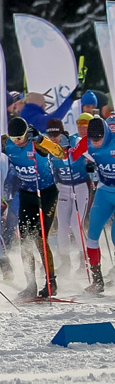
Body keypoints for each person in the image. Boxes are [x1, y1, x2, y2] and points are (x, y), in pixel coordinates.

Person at [2, 117, 59, 298]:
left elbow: (60, 153)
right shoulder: (6, 142)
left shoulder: (37, 143)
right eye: (14, 139)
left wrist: (42, 140)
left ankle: (51, 282)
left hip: (46, 194)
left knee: (40, 238)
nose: (17, 142)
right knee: (25, 241)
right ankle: (31, 285)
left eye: (20, 138)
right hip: (27, 194)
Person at [76, 115, 115, 293]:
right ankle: (97, 281)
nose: (96, 144)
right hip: (104, 191)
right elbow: (66, 154)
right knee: (91, 235)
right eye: (93, 140)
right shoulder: (86, 143)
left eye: (99, 140)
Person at [47, 119, 90, 274]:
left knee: (76, 224)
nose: (53, 138)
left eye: (56, 134)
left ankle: (85, 260)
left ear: (62, 131)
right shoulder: (48, 146)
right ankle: (65, 263)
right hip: (63, 187)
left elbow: (91, 154)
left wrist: (94, 170)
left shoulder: (74, 141)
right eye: (50, 135)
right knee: (63, 227)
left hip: (80, 186)